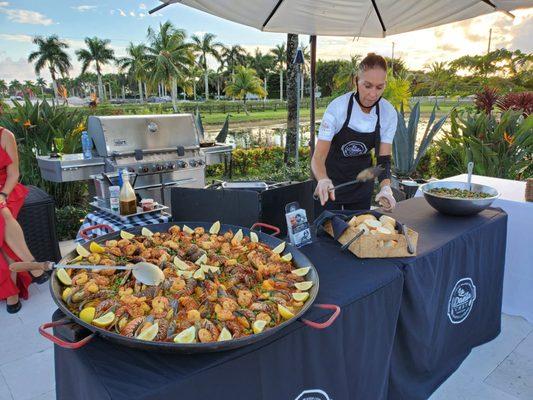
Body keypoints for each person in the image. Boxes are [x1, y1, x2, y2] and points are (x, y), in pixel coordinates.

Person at [312, 53, 397, 211]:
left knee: (360, 232)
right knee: (326, 232)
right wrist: (322, 179)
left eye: (380, 87)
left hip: (361, 188)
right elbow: (318, 156)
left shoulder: (388, 113)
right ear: (356, 81)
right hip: (329, 185)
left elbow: (383, 161)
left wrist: (386, 188)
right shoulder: (337, 108)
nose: (373, 94)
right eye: (367, 85)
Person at [0, 126, 49, 314]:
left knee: (2, 213)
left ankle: (11, 293)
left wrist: (3, 194)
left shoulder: (5, 135)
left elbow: (14, 174)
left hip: (7, 189)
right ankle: (33, 266)